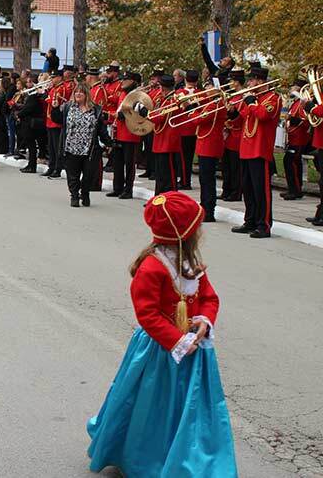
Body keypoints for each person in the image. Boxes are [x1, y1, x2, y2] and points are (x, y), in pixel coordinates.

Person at [87, 191, 237, 477]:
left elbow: (210, 297)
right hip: (159, 350)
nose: (200, 233)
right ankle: (147, 456)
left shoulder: (190, 263)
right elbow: (147, 313)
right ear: (185, 234)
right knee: (150, 405)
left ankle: (187, 454)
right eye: (197, 228)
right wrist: (177, 340)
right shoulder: (152, 267)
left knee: (190, 407)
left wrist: (204, 321)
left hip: (193, 348)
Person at [231, 66, 281, 239]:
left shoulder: (273, 98)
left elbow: (263, 115)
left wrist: (251, 101)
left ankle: (264, 225)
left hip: (260, 149)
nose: (249, 83)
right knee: (248, 188)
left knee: (261, 191)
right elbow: (244, 115)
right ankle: (250, 220)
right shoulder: (255, 98)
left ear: (260, 81)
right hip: (246, 149)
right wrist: (239, 103)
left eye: (251, 80)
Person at [56, 82, 113, 207]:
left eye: (81, 92)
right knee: (72, 175)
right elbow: (57, 120)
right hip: (71, 147)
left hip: (89, 148)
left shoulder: (96, 110)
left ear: (86, 94)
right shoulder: (68, 107)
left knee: (89, 175)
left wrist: (109, 142)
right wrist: (55, 107)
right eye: (76, 92)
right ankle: (74, 196)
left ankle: (85, 192)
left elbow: (101, 129)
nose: (78, 94)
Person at [189, 84, 227, 222]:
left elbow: (199, 119)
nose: (206, 91)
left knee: (207, 180)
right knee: (204, 179)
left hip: (210, 145)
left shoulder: (215, 105)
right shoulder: (210, 103)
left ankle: (208, 210)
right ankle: (204, 206)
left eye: (209, 88)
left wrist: (190, 109)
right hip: (205, 145)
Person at [148, 75, 184, 195]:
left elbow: (159, 117)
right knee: (160, 174)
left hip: (169, 142)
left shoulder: (174, 99)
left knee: (168, 175)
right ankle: (158, 197)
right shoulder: (163, 99)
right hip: (161, 140)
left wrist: (145, 112)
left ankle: (170, 198)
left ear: (163, 87)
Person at [108, 72, 142, 199]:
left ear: (133, 81)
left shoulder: (137, 95)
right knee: (117, 162)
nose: (122, 82)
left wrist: (122, 115)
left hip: (130, 132)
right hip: (119, 131)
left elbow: (138, 112)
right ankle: (117, 187)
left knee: (129, 163)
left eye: (126, 80)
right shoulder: (123, 93)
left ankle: (128, 189)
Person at [282, 80, 311, 201]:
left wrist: (291, 119)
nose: (291, 88)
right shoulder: (296, 102)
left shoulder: (303, 103)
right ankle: (292, 188)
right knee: (290, 162)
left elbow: (305, 121)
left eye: (293, 86)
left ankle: (296, 189)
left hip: (299, 138)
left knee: (292, 162)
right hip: (293, 137)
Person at [220, 69, 246, 201]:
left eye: (232, 81)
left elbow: (241, 118)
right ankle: (227, 189)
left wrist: (231, 115)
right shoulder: (234, 97)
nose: (230, 83)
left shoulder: (243, 98)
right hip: (228, 136)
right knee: (227, 166)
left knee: (235, 167)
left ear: (237, 82)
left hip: (237, 135)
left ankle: (236, 192)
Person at [176, 70, 201, 190]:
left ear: (186, 80)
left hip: (183, 128)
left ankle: (185, 181)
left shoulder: (180, 93)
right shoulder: (202, 93)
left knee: (183, 157)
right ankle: (186, 180)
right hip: (195, 129)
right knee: (189, 156)